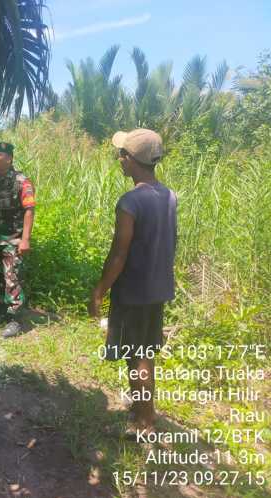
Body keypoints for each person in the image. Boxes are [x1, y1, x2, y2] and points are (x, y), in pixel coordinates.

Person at [89, 128, 177, 433]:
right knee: (143, 352)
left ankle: (144, 422)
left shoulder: (130, 201)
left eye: (122, 154)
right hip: (157, 289)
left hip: (133, 292)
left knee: (136, 356)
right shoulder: (169, 195)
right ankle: (143, 408)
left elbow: (118, 255)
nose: (119, 160)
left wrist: (99, 291)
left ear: (132, 160)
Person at [0, 142, 36, 338]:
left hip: (14, 239)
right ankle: (2, 314)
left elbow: (29, 210)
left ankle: (15, 320)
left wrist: (26, 239)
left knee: (12, 278)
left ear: (9, 159)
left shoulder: (22, 182)